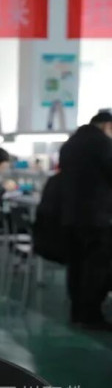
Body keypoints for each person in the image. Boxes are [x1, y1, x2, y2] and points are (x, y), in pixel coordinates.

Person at [59, 111, 112, 329]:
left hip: (70, 215)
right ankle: (91, 315)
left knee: (76, 265)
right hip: (96, 217)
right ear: (107, 125)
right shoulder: (103, 144)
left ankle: (76, 312)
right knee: (96, 268)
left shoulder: (70, 144)